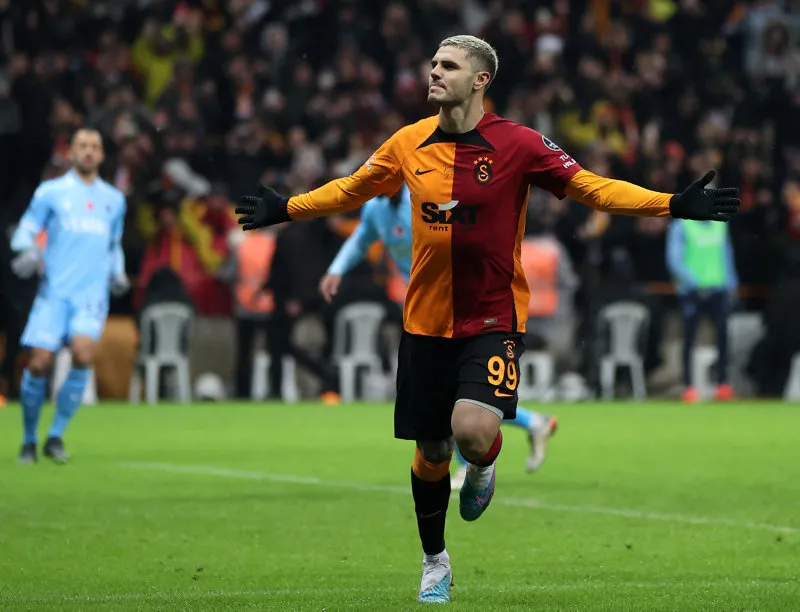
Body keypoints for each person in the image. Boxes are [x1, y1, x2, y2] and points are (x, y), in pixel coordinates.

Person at [235, 35, 740, 604]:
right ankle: (435, 560)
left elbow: (592, 188)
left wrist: (670, 203)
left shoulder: (519, 144)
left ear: (480, 80)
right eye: (433, 63)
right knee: (431, 451)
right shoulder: (407, 142)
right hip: (424, 322)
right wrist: (287, 208)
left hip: (494, 318)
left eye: (448, 66)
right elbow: (353, 190)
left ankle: (483, 466)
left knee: (473, 435)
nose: (434, 72)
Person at [318, 183, 558, 486]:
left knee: (449, 387)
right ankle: (532, 422)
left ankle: (468, 463)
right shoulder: (375, 209)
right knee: (449, 389)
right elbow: (361, 239)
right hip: (424, 308)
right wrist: (336, 269)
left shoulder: (425, 200)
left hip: (457, 302)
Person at [10, 128, 129, 464]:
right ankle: (29, 439)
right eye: (82, 146)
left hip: (90, 296)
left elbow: (114, 244)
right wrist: (29, 250)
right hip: (54, 294)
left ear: (102, 155)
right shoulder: (51, 192)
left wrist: (118, 271)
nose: (89, 151)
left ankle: (55, 436)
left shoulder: (114, 200)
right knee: (38, 363)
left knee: (82, 354)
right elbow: (23, 233)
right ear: (71, 152)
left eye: (95, 146)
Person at [666, 219, 738, 402]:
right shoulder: (682, 225)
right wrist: (694, 282)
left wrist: (731, 283)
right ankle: (688, 386)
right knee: (689, 338)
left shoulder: (720, 224)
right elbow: (674, 259)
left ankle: (722, 384)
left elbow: (726, 255)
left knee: (723, 337)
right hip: (692, 291)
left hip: (718, 288)